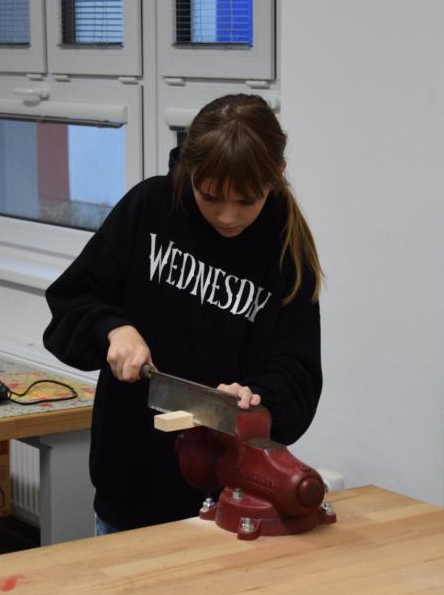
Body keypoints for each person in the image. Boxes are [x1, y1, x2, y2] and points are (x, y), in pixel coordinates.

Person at [42, 94, 324, 534]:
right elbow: (71, 301)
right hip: (131, 488)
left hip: (233, 501)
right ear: (190, 170)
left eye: (247, 201)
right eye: (210, 197)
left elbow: (298, 374)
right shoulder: (150, 207)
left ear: (277, 174)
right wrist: (113, 329)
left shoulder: (287, 249)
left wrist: (255, 398)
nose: (227, 216)